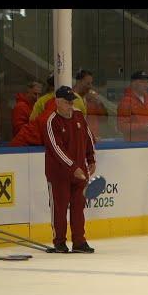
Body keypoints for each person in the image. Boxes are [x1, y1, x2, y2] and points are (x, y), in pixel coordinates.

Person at [42, 86, 96, 253]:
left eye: (72, 101)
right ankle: (59, 242)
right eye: (66, 102)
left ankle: (79, 241)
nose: (70, 105)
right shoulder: (51, 121)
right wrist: (73, 167)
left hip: (79, 172)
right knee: (59, 207)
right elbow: (56, 148)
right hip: (59, 174)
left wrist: (91, 159)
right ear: (57, 102)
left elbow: (88, 138)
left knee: (78, 207)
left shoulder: (79, 116)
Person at [117, 70, 148, 141]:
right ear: (133, 83)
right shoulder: (126, 102)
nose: (146, 85)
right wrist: (141, 127)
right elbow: (121, 126)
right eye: (142, 82)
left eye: (147, 82)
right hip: (136, 145)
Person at [73, 69, 107, 141]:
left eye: (91, 83)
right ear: (79, 82)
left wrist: (98, 103)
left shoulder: (92, 100)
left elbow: (104, 119)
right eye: (88, 83)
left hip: (94, 139)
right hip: (79, 141)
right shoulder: (70, 99)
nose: (90, 86)